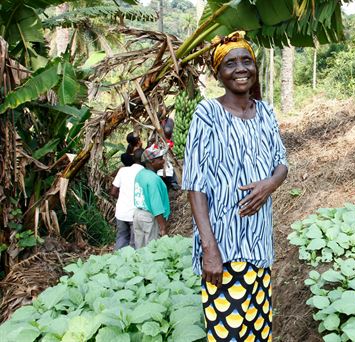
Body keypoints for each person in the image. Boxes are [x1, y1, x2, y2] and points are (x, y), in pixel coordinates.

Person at [182, 31, 288, 341]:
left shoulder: (266, 112)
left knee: (257, 334)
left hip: (258, 248)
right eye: (230, 63)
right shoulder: (208, 114)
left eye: (246, 61)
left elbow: (282, 163)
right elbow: (195, 185)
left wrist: (270, 184)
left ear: (255, 67)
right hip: (224, 252)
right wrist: (209, 249)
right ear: (218, 73)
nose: (240, 68)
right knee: (228, 335)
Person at [133, 146, 170, 249]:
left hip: (138, 214)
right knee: (152, 251)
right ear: (152, 162)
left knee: (140, 250)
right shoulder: (153, 179)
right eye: (160, 158)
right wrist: (163, 227)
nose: (163, 161)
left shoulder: (140, 174)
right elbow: (156, 204)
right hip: (149, 217)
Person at [110, 148, 144, 249]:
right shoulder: (145, 173)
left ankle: (117, 261)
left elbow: (113, 192)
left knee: (121, 237)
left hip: (121, 211)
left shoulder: (122, 171)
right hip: (135, 213)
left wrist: (122, 197)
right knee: (134, 242)